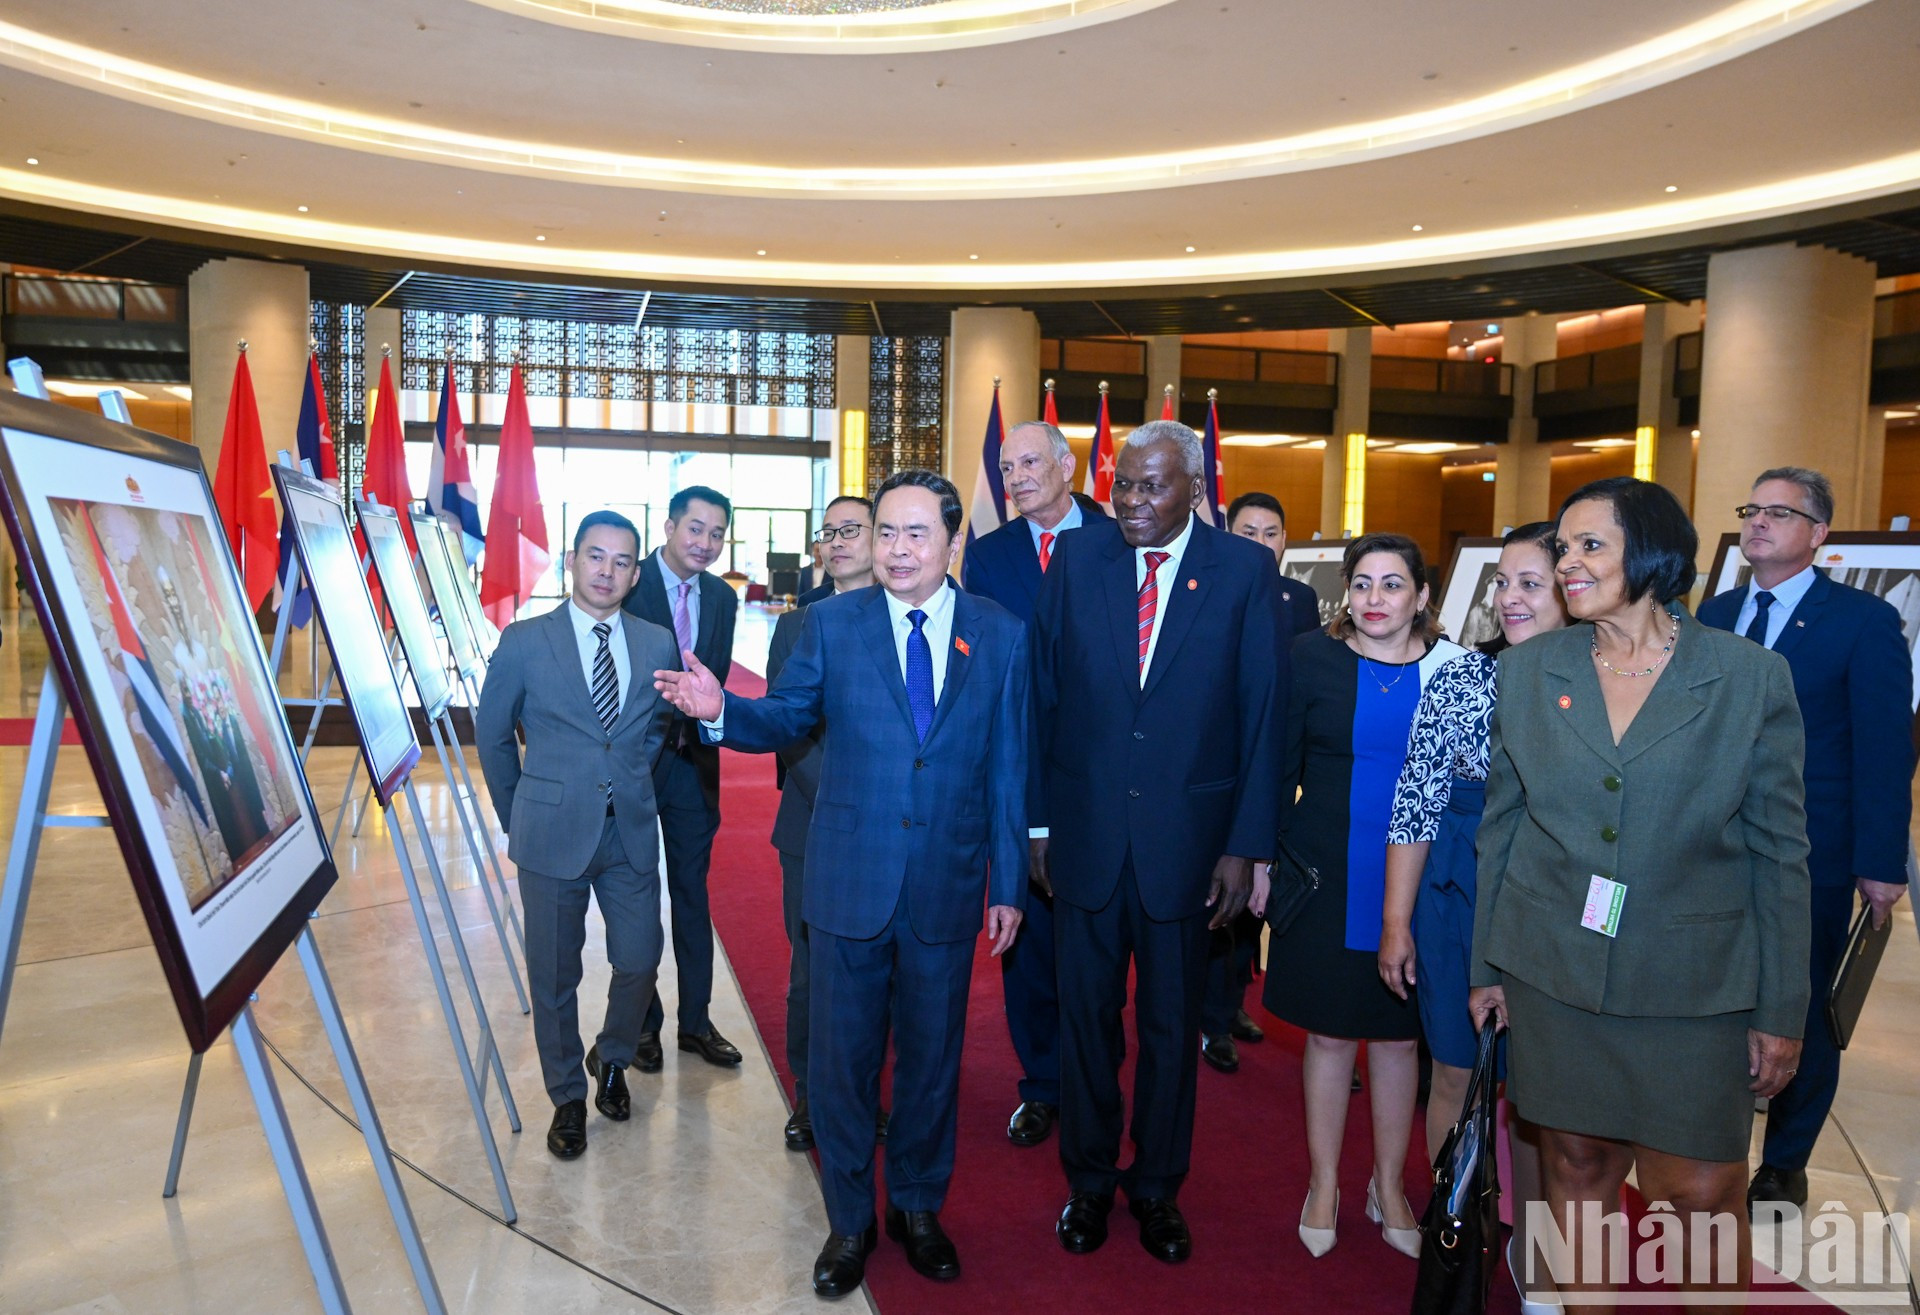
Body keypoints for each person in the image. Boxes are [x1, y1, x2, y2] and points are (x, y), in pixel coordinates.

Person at [655, 470, 1029, 1299]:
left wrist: (1007, 880)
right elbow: (786, 714)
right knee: (844, 1063)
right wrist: (723, 710)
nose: (897, 549)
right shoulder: (833, 623)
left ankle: (919, 1207)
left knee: (931, 1061)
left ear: (952, 540)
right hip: (849, 878)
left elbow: (1009, 765)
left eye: (916, 533)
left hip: (944, 882)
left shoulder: (999, 634)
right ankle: (850, 1218)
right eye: (885, 532)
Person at [1470, 477, 1810, 1304]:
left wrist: (1782, 1010)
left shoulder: (1748, 677)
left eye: (1591, 544)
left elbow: (1780, 855)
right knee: (1575, 1164)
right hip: (1554, 973)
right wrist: (1487, 966)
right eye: (1564, 546)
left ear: (1653, 553)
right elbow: (1502, 827)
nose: (1568, 562)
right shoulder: (1530, 670)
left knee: (1700, 1193)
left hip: (1694, 987)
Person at [1030, 420, 1283, 1264]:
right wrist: (1037, 824)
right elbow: (1041, 699)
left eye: (1153, 486)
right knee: (1086, 1023)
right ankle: (1089, 1180)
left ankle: (1157, 1187)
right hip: (1086, 839)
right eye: (1123, 484)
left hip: (1191, 848)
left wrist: (1245, 844)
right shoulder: (1078, 560)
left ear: (1195, 489)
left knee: (1171, 1029)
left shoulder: (1243, 571)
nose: (1132, 501)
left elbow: (1262, 714)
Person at [1696, 466, 1912, 1214]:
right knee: (1717, 992)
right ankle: (1708, 1134)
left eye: (1780, 512)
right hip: (1713, 844)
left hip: (1813, 851)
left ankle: (1786, 1161)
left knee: (1802, 1003)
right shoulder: (1716, 613)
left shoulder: (1862, 620)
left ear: (1818, 534)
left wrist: (1880, 862)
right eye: (1751, 509)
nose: (1758, 522)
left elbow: (1885, 749)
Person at [1261, 532, 1465, 1259]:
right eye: (1363, 584)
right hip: (1325, 871)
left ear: (1423, 595)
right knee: (1328, 1033)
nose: (1375, 599)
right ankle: (1323, 1183)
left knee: (1400, 1038)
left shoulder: (1455, 671)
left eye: (1393, 584)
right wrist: (1262, 860)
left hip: (1422, 879)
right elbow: (1276, 766)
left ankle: (1390, 1185)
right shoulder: (1311, 658)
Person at [1378, 521, 1564, 1308]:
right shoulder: (1461, 677)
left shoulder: (1606, 680)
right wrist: (1396, 921)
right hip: (1458, 897)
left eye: (1531, 583)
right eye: (1503, 583)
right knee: (1455, 1068)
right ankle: (1456, 1224)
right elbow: (1415, 802)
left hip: (1557, 908)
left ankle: (1542, 1253)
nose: (1510, 598)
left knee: (1547, 1094)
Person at [474, 511, 678, 1160]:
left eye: (622, 561)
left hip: (629, 831)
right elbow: (493, 736)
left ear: (636, 574)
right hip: (550, 832)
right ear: (571, 560)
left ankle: (611, 1056)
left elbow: (657, 728)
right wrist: (519, 814)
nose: (606, 571)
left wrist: (626, 781)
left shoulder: (656, 643)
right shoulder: (524, 641)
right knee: (554, 974)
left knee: (640, 959)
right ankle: (566, 1095)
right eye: (595, 556)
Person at [961, 419, 1122, 1147]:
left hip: (1107, 771)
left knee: (1100, 941)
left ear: (1068, 466)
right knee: (1027, 934)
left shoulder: (1119, 538)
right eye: (1006, 466)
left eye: (1029, 462)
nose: (1016, 477)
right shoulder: (989, 554)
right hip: (1021, 764)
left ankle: (1096, 1077)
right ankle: (1043, 1083)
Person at [768, 494, 876, 1152]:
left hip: (890, 828)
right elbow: (789, 730)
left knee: (876, 971)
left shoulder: (906, 616)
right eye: (827, 531)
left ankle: (862, 1093)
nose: (836, 541)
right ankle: (811, 1094)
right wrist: (844, 799)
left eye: (850, 529)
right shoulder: (796, 625)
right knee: (811, 970)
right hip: (812, 823)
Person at [621, 485, 741, 1071]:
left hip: (694, 767)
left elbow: (714, 681)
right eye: (696, 528)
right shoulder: (630, 580)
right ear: (668, 527)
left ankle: (696, 1022)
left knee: (692, 895)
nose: (705, 543)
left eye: (717, 534)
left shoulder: (721, 597)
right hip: (637, 766)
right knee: (638, 898)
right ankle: (643, 1025)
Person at [1199, 490, 1320, 1073]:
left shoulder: (1300, 597)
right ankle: (1208, 1015)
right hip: (1218, 763)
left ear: (1285, 540)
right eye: (1249, 532)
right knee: (1216, 892)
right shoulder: (1209, 587)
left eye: (1271, 533)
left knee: (1254, 893)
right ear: (1229, 533)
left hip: (1275, 763)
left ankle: (1232, 1004)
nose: (1261, 543)